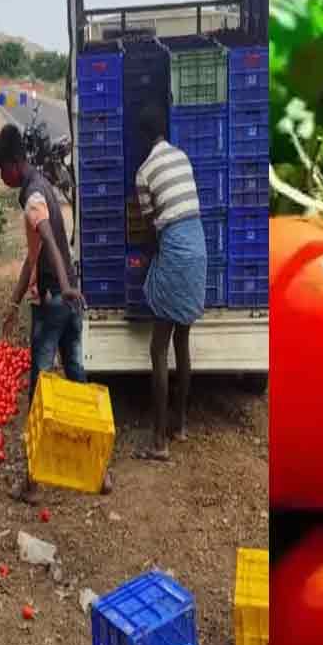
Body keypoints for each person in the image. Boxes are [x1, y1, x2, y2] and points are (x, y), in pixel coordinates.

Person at [0, 123, 112, 502]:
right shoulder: (42, 184)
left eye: (2, 171)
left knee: (39, 387)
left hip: (56, 301)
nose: (3, 179)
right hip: (70, 301)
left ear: (14, 164)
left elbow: (46, 239)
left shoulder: (32, 199)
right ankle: (101, 473)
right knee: (77, 381)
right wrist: (12, 304)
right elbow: (33, 257)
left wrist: (62, 284)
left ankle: (31, 481)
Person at [131, 104, 207, 462]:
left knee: (157, 348)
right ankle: (181, 425)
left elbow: (149, 228)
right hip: (199, 248)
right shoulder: (182, 157)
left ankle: (159, 442)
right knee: (183, 340)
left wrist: (146, 256)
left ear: (143, 137)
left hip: (176, 252)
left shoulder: (144, 172)